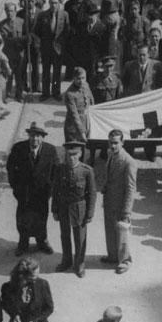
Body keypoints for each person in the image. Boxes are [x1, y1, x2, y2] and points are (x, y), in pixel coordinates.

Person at [6, 122, 58, 256]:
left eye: (38, 136)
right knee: (23, 219)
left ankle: (42, 242)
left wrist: (50, 191)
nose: (35, 139)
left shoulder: (50, 150)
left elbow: (55, 172)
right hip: (25, 193)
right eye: (32, 135)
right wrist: (16, 188)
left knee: (41, 218)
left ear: (43, 137)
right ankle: (23, 244)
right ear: (29, 135)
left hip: (42, 194)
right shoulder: (19, 148)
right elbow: (10, 169)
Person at [52, 142, 97, 278]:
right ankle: (66, 261)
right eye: (68, 155)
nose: (71, 158)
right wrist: (54, 209)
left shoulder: (86, 170)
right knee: (64, 235)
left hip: (79, 208)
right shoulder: (60, 169)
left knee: (80, 238)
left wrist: (89, 213)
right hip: (63, 207)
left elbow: (92, 193)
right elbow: (56, 190)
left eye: (74, 155)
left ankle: (79, 264)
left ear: (80, 154)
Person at [101, 129, 137, 274]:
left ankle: (125, 261)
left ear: (123, 142)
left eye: (116, 143)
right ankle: (113, 256)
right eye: (110, 142)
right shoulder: (110, 154)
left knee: (122, 233)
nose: (113, 146)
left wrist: (127, 210)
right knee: (109, 230)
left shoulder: (129, 162)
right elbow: (109, 175)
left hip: (121, 204)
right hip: (109, 199)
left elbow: (131, 189)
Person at [37, 0, 69, 100]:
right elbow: (37, 31)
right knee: (45, 71)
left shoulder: (64, 15)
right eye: (51, 3)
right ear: (48, 3)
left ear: (59, 3)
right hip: (46, 49)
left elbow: (66, 32)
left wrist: (63, 46)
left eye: (56, 3)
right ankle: (45, 93)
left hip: (58, 49)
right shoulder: (42, 15)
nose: (53, 5)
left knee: (57, 72)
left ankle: (56, 92)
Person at [63, 67, 94, 143]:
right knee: (74, 151)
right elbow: (74, 115)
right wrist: (81, 132)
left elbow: (91, 100)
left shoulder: (86, 85)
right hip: (73, 128)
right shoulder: (69, 94)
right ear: (73, 78)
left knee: (82, 149)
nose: (81, 81)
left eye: (83, 78)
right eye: (78, 79)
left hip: (85, 122)